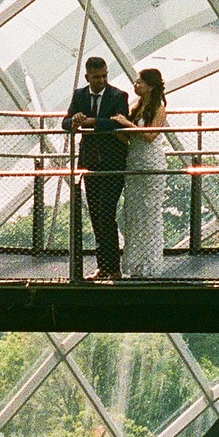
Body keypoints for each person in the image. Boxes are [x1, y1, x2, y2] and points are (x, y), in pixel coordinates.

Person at [61, 57, 130, 280]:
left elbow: (119, 122)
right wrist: (74, 120)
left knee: (106, 213)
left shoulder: (118, 96)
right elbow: (65, 122)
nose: (101, 80)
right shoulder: (79, 95)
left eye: (104, 76)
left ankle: (113, 268)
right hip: (90, 163)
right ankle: (103, 266)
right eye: (97, 77)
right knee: (95, 214)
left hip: (112, 164)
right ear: (87, 77)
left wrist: (92, 122)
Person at [114, 68, 167, 276]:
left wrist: (127, 124)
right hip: (134, 161)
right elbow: (131, 136)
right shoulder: (137, 107)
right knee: (134, 212)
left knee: (149, 212)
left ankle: (150, 265)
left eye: (140, 82)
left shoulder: (158, 108)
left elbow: (150, 136)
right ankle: (136, 264)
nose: (136, 85)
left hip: (151, 162)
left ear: (150, 86)